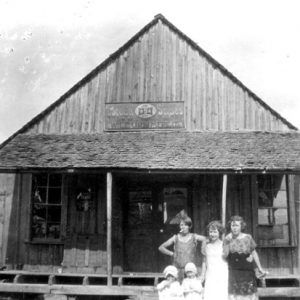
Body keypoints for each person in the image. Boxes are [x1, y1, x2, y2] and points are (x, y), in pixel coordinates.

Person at [223, 215, 266, 300]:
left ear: (241, 226)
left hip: (247, 271)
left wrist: (260, 267)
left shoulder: (248, 237)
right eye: (232, 225)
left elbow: (254, 253)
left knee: (248, 294)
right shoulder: (227, 239)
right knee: (235, 295)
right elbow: (224, 255)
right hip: (234, 271)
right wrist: (227, 242)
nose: (234, 228)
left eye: (237, 226)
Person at [158, 216, 206, 281]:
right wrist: (172, 253)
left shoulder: (194, 237)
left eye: (186, 225)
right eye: (181, 225)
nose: (183, 227)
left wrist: (203, 247)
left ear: (190, 226)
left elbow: (206, 239)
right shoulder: (175, 238)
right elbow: (161, 247)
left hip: (190, 271)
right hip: (178, 270)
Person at [200, 220, 228, 300]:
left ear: (220, 233)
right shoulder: (206, 245)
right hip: (210, 273)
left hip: (222, 274)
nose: (212, 234)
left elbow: (227, 260)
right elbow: (204, 261)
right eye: (210, 232)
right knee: (210, 295)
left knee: (221, 295)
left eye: (215, 232)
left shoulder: (224, 244)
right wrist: (203, 274)